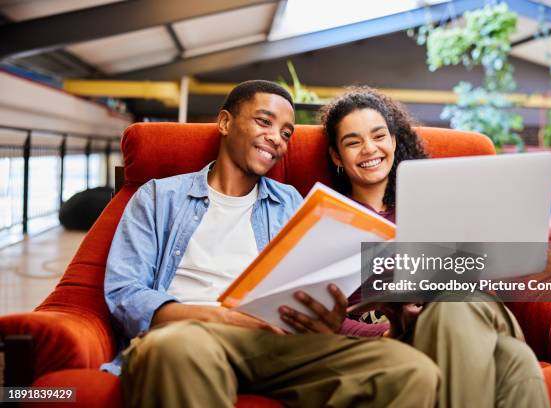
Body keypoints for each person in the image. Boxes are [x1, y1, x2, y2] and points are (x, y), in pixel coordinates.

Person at [103, 80, 439, 408]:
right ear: (224, 122)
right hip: (188, 334)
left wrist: (324, 316)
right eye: (264, 122)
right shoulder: (159, 197)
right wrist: (224, 318)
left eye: (286, 133)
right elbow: (125, 292)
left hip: (276, 344)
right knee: (176, 347)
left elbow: (311, 288)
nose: (276, 138)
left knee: (410, 369)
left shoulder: (291, 203)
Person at [314, 86, 550, 408]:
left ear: (394, 142)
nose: (369, 149)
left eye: (379, 136)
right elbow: (319, 315)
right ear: (336, 156)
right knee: (517, 360)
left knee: (454, 302)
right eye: (353, 142)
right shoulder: (326, 219)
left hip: (462, 314)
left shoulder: (435, 203)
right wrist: (387, 330)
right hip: (392, 341)